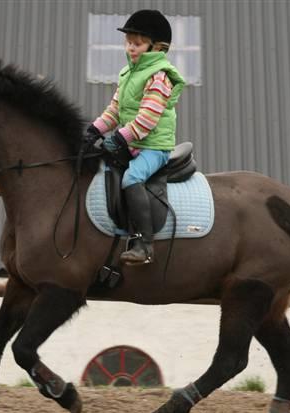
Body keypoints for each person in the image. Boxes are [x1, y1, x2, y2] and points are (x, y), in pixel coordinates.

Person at [83, 10, 185, 265]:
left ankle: (144, 243)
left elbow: (147, 119)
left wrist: (119, 138)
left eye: (137, 43)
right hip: (133, 143)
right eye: (128, 42)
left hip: (153, 147)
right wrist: (94, 129)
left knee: (132, 178)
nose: (131, 48)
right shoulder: (127, 74)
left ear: (156, 47)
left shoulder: (159, 76)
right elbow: (115, 110)